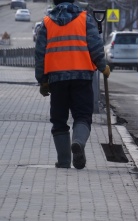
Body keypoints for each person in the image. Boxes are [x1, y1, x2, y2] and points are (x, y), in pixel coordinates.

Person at [34, 0, 110, 169]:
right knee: (83, 116)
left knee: (59, 120)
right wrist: (102, 66)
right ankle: (78, 142)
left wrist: (42, 80)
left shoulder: (46, 23)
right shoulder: (85, 18)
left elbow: (40, 54)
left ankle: (63, 161)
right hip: (81, 77)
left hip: (57, 80)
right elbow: (95, 45)